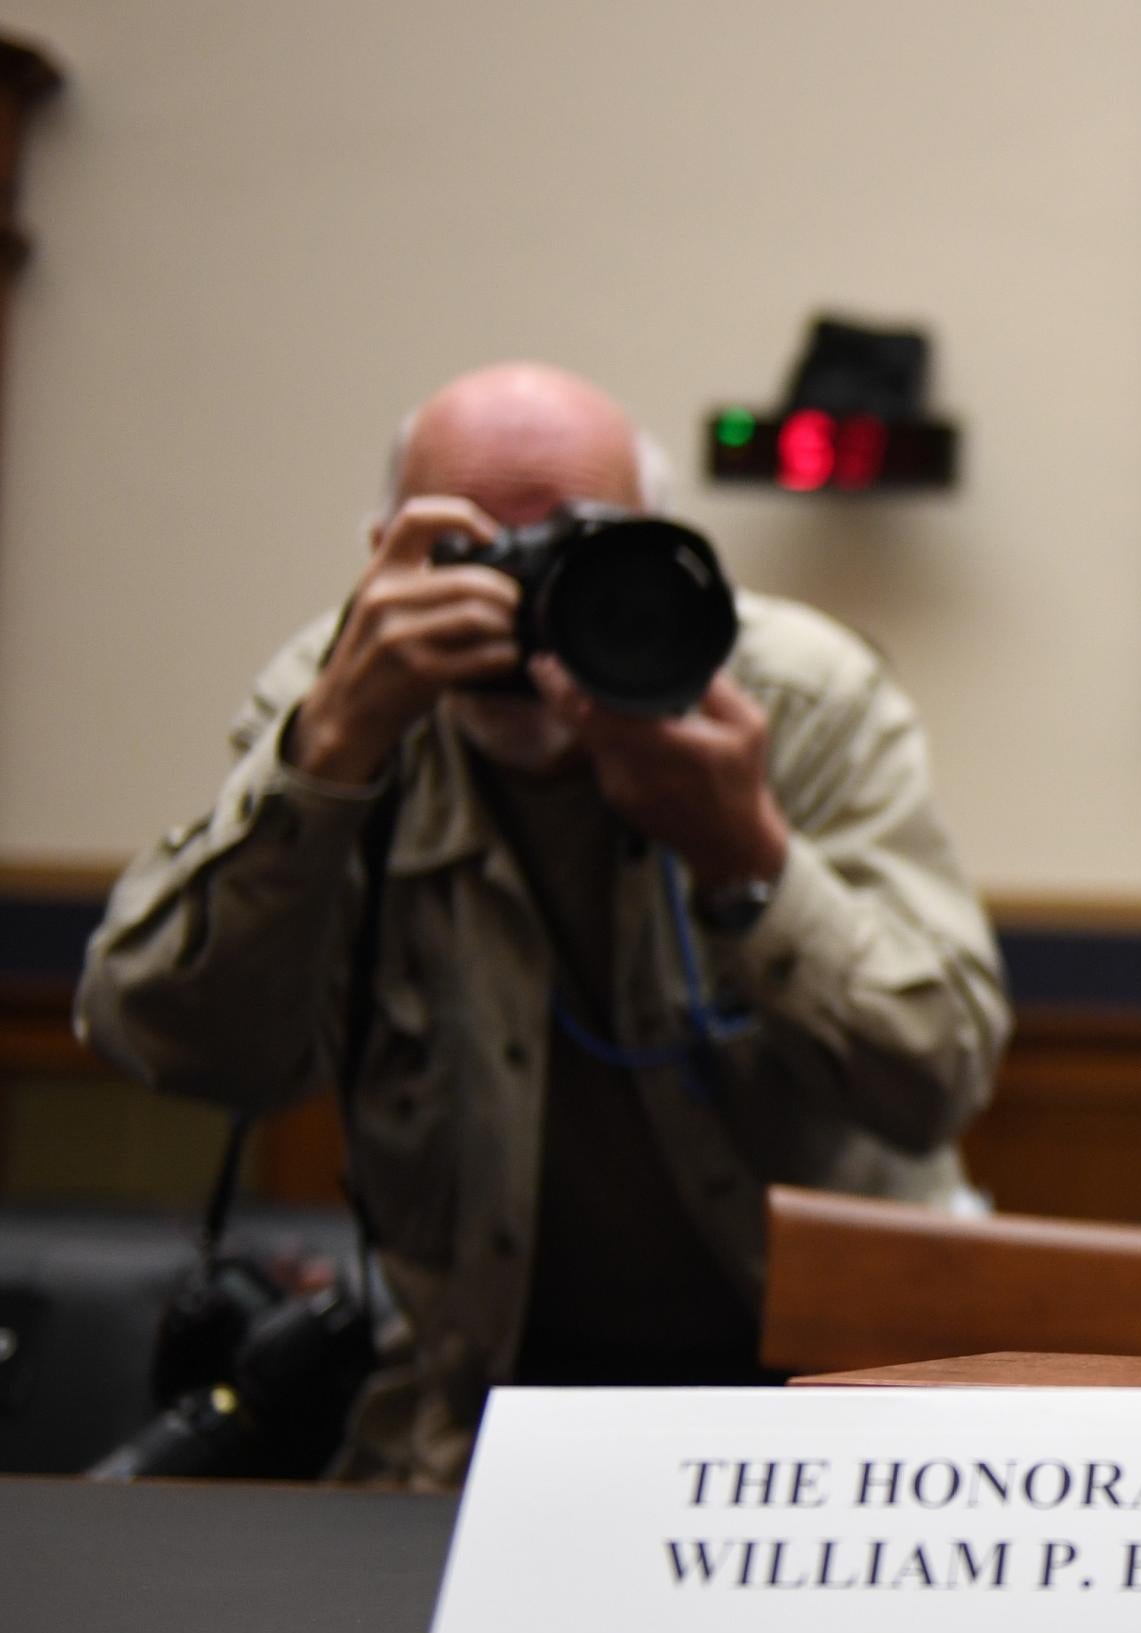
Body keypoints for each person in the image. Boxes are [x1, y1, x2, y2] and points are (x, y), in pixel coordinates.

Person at [76, 363, 1011, 1486]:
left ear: (659, 544)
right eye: (472, 555)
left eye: (574, 555)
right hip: (475, 1404)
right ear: (384, 556)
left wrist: (746, 857)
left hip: (824, 1403)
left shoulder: (797, 695)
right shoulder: (342, 703)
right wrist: (327, 764)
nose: (522, 608)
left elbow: (941, 1069)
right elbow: (171, 1038)